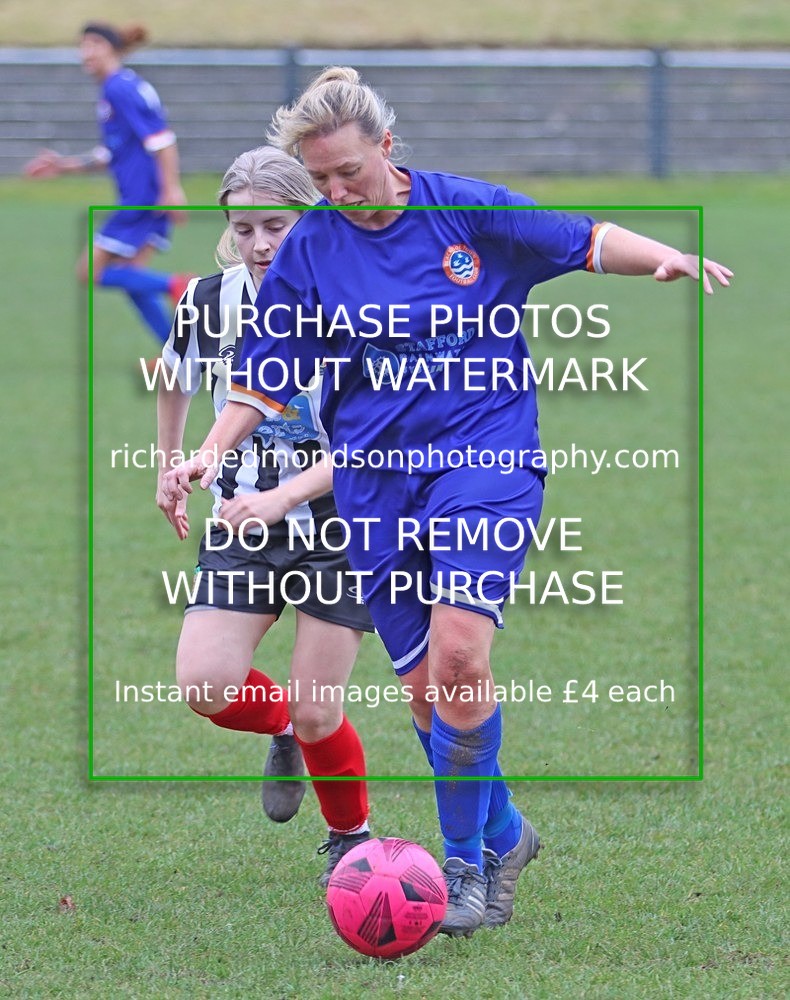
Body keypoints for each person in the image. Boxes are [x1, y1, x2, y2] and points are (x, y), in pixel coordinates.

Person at [161, 67, 733, 936]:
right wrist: (209, 452)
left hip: (483, 462)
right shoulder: (314, 248)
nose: (338, 192)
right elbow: (266, 374)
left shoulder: (464, 209)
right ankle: (503, 832)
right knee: (429, 696)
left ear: (388, 149)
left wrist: (659, 255)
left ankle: (466, 868)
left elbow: (580, 237)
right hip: (375, 484)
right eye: (319, 181)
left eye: (349, 172)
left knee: (461, 657)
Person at [156, 145, 374, 886]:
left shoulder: (358, 304)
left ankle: (352, 839)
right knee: (206, 686)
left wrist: (285, 495)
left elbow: (373, 446)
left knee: (322, 712)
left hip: (337, 528)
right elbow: (175, 375)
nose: (259, 244)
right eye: (243, 227)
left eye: (275, 225)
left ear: (309, 218)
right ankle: (278, 728)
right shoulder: (209, 300)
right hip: (241, 522)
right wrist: (173, 460)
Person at [24, 22, 191, 348]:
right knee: (132, 277)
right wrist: (64, 165)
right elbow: (113, 151)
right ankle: (180, 352)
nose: (85, 52)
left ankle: (179, 285)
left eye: (94, 43)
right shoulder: (119, 87)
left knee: (88, 272)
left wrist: (171, 189)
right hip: (144, 194)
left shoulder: (119, 88)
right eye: (82, 45)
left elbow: (162, 139)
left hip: (143, 198)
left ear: (112, 48)